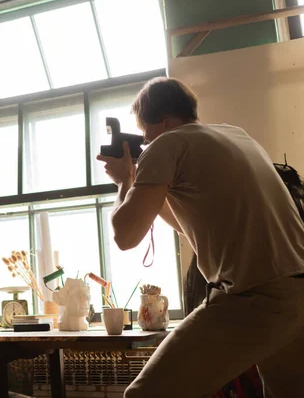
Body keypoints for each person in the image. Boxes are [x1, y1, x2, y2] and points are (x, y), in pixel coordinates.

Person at [97, 77, 304, 398]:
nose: (145, 141)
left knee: (144, 395)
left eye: (145, 131)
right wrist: (146, 182)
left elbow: (125, 236)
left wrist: (124, 182)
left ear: (162, 120)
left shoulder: (166, 144)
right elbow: (184, 223)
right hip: (297, 290)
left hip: (254, 297)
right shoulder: (236, 135)